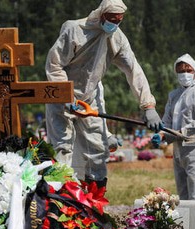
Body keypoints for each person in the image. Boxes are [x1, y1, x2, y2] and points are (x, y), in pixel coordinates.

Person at [45, 0, 162, 182]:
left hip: (89, 99)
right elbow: (54, 64)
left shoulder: (117, 38)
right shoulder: (75, 30)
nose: (114, 24)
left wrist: (147, 105)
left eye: (119, 20)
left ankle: (94, 202)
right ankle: (59, 201)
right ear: (101, 14)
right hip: (62, 98)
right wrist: (64, 94)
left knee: (98, 150)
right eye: (111, 19)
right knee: (61, 148)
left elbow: (133, 70)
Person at [152, 53, 195, 225]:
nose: (184, 74)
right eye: (180, 71)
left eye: (188, 70)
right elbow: (166, 121)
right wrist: (161, 134)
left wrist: (178, 132)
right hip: (179, 151)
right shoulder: (174, 95)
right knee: (183, 196)